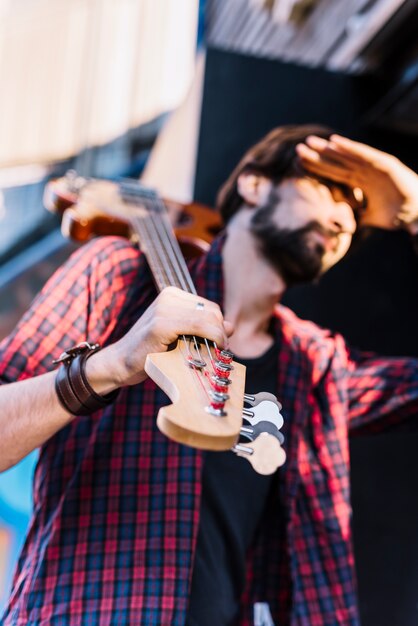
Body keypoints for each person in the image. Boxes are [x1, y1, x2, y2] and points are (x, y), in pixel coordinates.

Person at [0, 125, 418, 626]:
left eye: (356, 218)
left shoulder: (316, 366)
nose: (343, 220)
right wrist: (109, 366)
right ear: (255, 184)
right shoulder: (117, 275)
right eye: (329, 189)